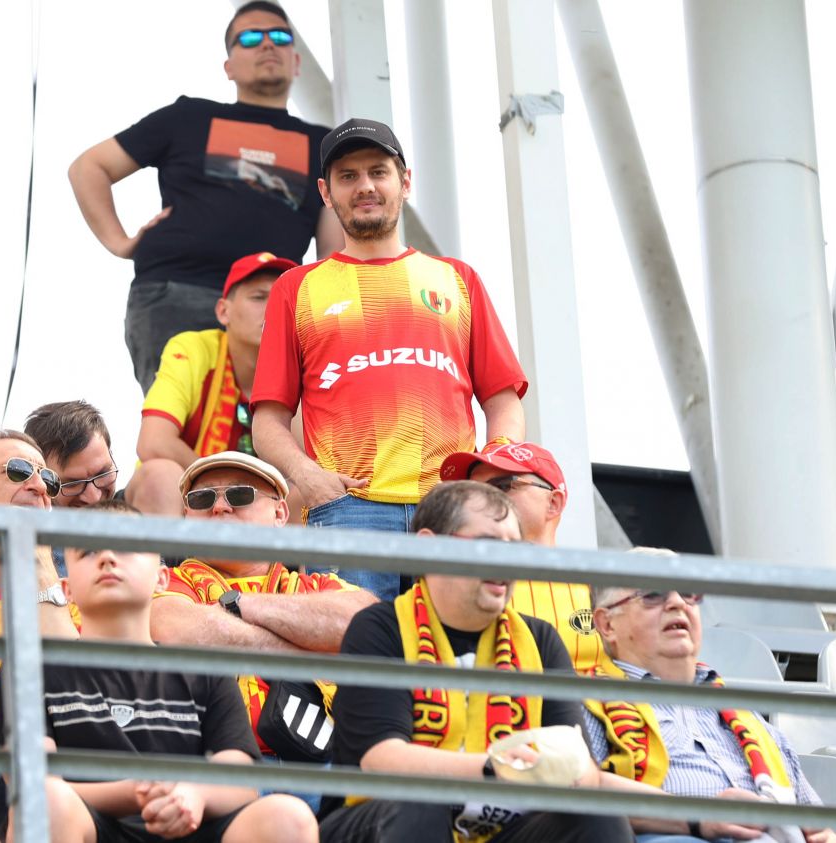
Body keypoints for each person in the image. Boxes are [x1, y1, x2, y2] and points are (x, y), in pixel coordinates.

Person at [252, 118, 527, 600]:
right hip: (347, 508)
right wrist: (311, 480)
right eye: (348, 176)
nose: (365, 186)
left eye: (378, 172)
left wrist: (489, 476)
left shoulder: (458, 279)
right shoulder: (296, 287)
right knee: (354, 648)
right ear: (326, 191)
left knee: (453, 646)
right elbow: (268, 420)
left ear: (405, 181)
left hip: (448, 507)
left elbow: (502, 399)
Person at [0, 500, 319, 842]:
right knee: (45, 802)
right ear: (66, 591)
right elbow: (31, 781)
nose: (107, 557)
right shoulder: (31, 669)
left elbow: (241, 777)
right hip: (87, 826)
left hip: (188, 824)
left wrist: (195, 794)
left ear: (161, 578)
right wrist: (136, 792)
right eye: (88, 551)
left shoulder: (204, 668)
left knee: (287, 817)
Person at [319, 481, 637, 843]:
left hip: (500, 826)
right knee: (421, 801)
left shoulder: (540, 640)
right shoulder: (380, 627)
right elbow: (381, 760)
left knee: (599, 818)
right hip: (378, 818)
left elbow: (578, 767)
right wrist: (497, 766)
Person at [68, 1, 341, 391]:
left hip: (271, 306)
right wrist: (120, 242)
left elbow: (331, 255)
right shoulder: (188, 117)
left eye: (280, 36)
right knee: (179, 421)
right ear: (228, 67)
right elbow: (88, 167)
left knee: (270, 424)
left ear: (296, 62)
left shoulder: (323, 145)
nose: (268, 44)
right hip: (177, 293)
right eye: (251, 38)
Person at [149, 452, 375, 758]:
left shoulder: (314, 586)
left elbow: (366, 624)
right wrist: (305, 648)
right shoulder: (167, 581)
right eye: (202, 498)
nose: (220, 506)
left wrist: (239, 605)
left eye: (240, 494)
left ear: (280, 514)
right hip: (210, 768)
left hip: (318, 765)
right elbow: (170, 628)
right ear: (187, 517)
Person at [585, 584, 836, 843]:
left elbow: (820, 827)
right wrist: (698, 818)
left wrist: (826, 836)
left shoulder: (751, 721)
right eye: (653, 594)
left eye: (687, 593)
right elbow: (578, 789)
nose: (678, 603)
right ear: (607, 624)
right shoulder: (586, 702)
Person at [128, 252, 297, 517]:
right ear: (223, 311)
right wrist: (217, 489)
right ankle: (163, 549)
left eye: (282, 300)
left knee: (307, 488)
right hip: (191, 501)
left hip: (255, 512)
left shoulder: (304, 364)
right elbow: (153, 441)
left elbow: (305, 463)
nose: (273, 308)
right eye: (259, 297)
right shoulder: (192, 348)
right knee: (159, 474)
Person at [441, 441, 604, 671]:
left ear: (553, 503)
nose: (480, 502)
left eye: (503, 485)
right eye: (471, 493)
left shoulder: (600, 586)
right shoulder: (449, 583)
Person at [0, 430, 78, 711]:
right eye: (19, 470)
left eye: (49, 480)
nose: (41, 487)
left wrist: (42, 565)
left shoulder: (69, 599)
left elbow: (77, 696)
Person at [24, 400, 119, 510]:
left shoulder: (134, 512)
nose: (94, 498)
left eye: (102, 473)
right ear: (39, 482)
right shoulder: (16, 518)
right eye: (72, 484)